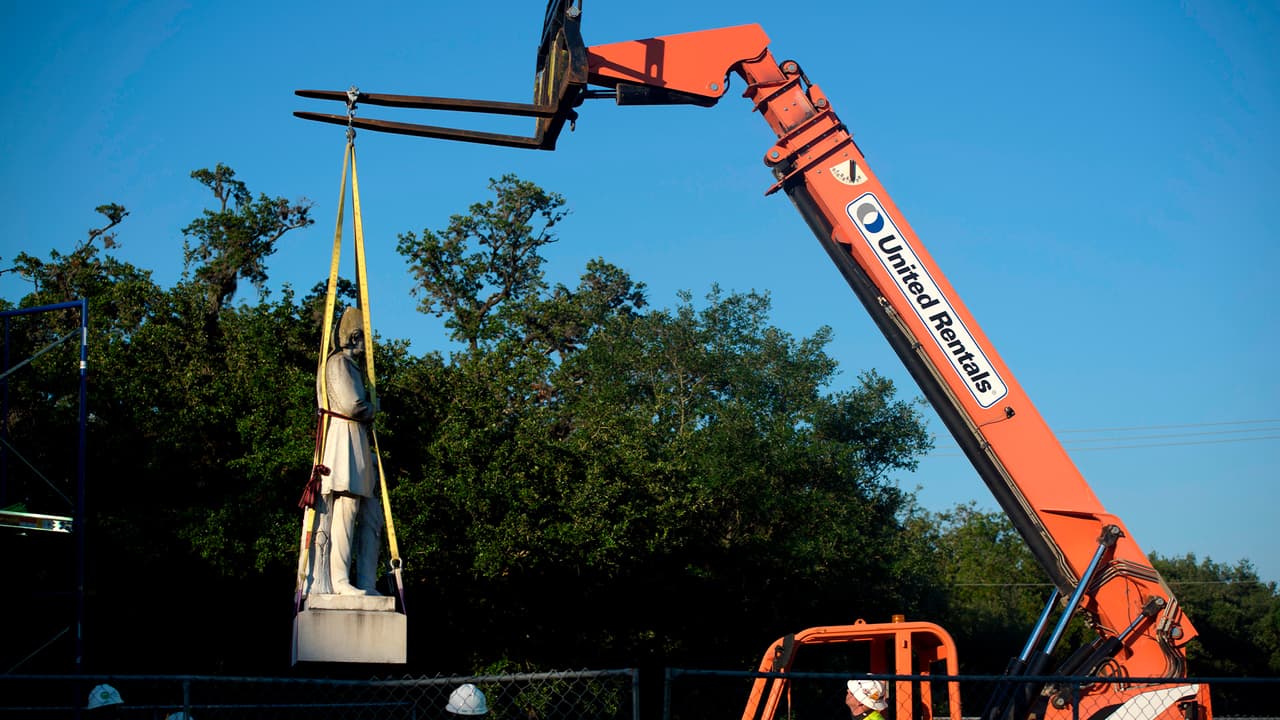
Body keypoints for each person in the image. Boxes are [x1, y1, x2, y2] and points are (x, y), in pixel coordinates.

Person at [308, 306, 385, 596]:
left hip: (355, 438)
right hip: (344, 438)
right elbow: (353, 405)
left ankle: (362, 580)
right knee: (345, 507)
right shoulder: (339, 362)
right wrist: (373, 408)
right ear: (354, 337)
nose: (367, 347)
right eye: (364, 339)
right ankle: (339, 579)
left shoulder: (349, 365)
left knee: (360, 510)